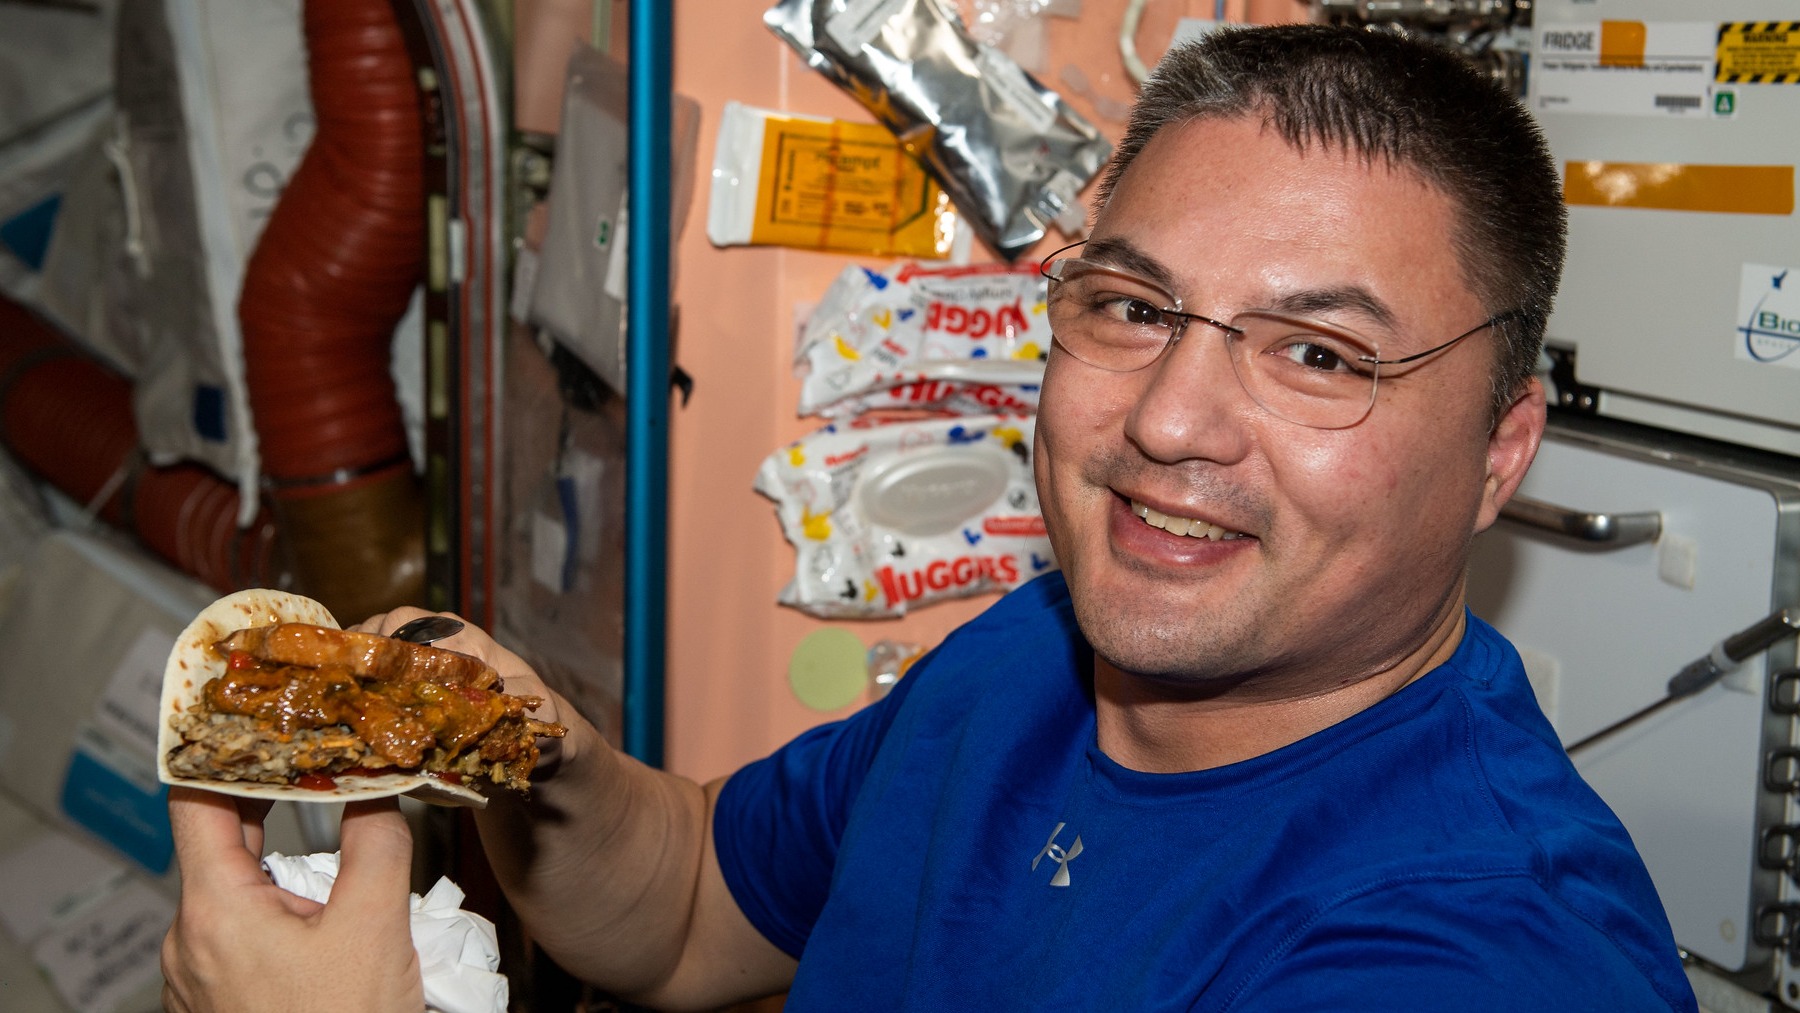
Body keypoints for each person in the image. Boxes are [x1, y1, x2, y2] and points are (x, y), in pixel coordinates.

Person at [162, 23, 1700, 1012]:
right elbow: (699, 900)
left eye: (1318, 354)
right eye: (1133, 304)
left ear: (1503, 450)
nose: (1168, 420)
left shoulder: (1474, 952)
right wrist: (540, 754)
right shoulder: (1036, 655)